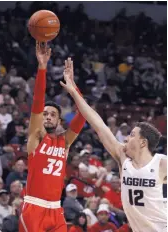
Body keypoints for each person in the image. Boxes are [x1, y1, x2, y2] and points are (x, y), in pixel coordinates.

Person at [60, 58, 167, 232]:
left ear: (143, 142)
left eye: (131, 135)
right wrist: (73, 91)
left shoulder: (161, 163)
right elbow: (98, 124)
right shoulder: (123, 158)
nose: (125, 138)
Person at [19, 43, 86, 232]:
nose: (47, 116)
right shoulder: (36, 136)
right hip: (34, 207)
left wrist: (73, 88)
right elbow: (37, 102)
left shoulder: (65, 142)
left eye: (53, 114)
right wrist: (42, 68)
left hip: (56, 209)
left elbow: (83, 116)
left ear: (59, 120)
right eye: (45, 114)